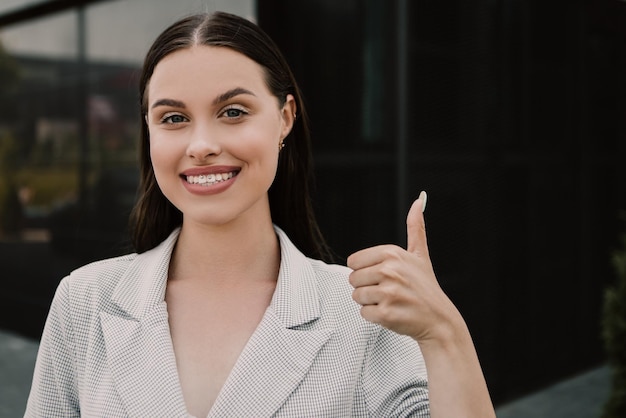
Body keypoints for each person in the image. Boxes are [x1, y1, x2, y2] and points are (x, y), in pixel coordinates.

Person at [25, 11, 495, 418]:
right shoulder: (85, 303)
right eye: (173, 118)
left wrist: (444, 333)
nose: (202, 144)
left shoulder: (361, 316)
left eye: (232, 111)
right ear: (148, 131)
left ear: (285, 117)